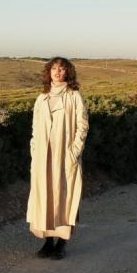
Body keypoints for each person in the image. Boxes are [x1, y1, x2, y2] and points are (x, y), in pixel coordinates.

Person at [26, 57, 89, 260]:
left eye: (61, 69)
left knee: (65, 197)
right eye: (54, 68)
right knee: (45, 196)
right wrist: (34, 151)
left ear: (67, 72)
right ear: (49, 72)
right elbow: (35, 128)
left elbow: (82, 126)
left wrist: (74, 151)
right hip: (43, 157)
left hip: (65, 155)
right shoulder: (41, 98)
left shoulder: (74, 96)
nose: (57, 72)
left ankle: (61, 243)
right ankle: (48, 241)